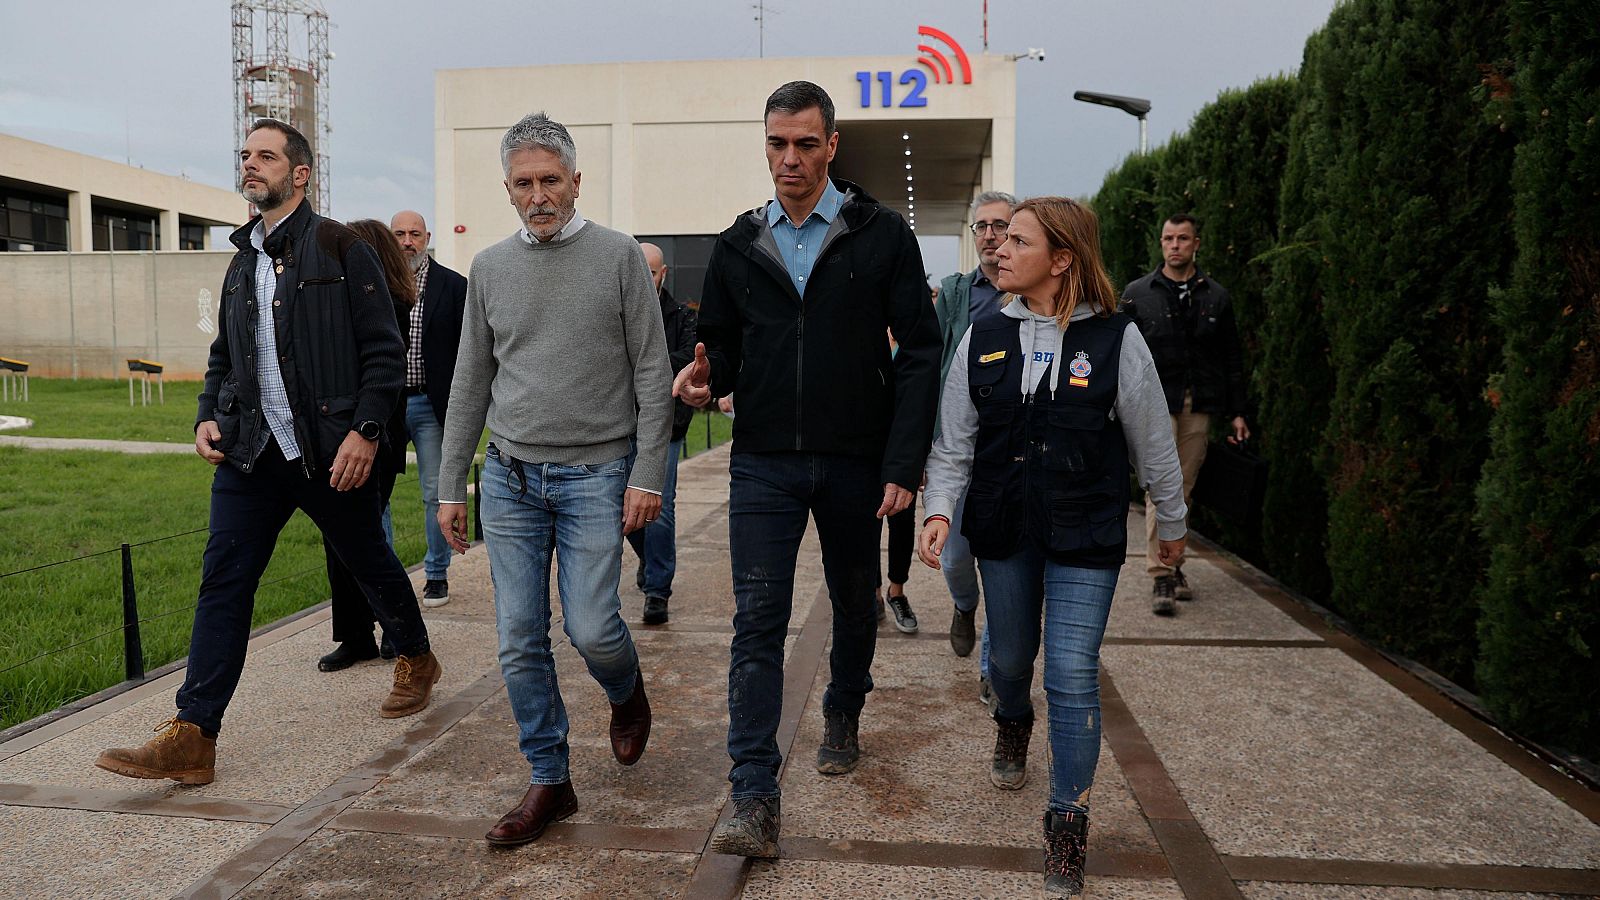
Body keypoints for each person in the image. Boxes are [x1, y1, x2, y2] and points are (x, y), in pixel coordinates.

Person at [95, 119, 442, 786]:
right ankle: (194, 735)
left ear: (300, 174)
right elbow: (224, 357)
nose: (250, 164)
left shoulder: (341, 249)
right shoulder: (240, 261)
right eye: (245, 155)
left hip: (327, 451)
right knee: (224, 581)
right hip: (251, 455)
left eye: (266, 156)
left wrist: (365, 433)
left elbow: (383, 353)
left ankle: (418, 656)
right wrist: (205, 416)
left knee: (368, 561)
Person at [675, 80, 941, 858]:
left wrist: (904, 460)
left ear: (831, 147)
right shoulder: (737, 243)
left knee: (856, 603)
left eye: (803, 144)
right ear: (765, 145)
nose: (788, 159)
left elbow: (921, 352)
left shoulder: (882, 234)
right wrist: (704, 376)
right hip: (763, 462)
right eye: (775, 144)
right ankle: (753, 792)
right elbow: (721, 344)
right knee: (757, 620)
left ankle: (845, 705)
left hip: (858, 459)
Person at [918, 197, 1186, 895]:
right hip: (1004, 529)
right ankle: (1012, 719)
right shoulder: (982, 333)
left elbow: (1153, 438)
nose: (998, 249)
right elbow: (953, 444)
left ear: (1062, 259)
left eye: (1017, 240)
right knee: (1009, 662)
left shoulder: (1115, 339)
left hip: (1085, 534)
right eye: (997, 238)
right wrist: (941, 512)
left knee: (1070, 671)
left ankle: (1067, 821)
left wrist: (1173, 526)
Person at [436, 112, 672, 847]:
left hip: (597, 476)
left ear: (576, 181)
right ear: (506, 190)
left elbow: (652, 372)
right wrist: (450, 485)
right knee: (516, 638)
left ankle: (627, 694)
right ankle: (549, 778)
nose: (538, 195)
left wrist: (647, 473)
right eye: (523, 184)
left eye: (550, 181)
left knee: (594, 626)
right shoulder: (490, 269)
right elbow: (471, 378)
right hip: (508, 478)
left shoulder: (619, 258)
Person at [1120, 214, 1249, 615]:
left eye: (1182, 238)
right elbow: (1121, 353)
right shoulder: (1139, 293)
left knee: (1184, 486)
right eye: (1167, 238)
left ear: (1196, 243)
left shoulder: (1216, 296)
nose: (1174, 245)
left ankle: (1172, 565)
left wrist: (1238, 411)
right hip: (1152, 404)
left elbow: (1231, 356)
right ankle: (1163, 573)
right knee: (1161, 484)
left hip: (1198, 404)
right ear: (1161, 244)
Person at [317, 219, 416, 672]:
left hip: (376, 438)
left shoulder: (388, 304)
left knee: (364, 542)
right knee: (342, 541)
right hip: (343, 437)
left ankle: (398, 632)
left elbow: (379, 373)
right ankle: (356, 634)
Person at [932, 189, 1015, 702]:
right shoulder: (957, 294)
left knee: (1003, 564)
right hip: (960, 449)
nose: (989, 235)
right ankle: (964, 605)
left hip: (1011, 453)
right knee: (956, 558)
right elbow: (930, 367)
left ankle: (993, 666)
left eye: (1000, 225)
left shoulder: (1033, 292)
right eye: (981, 226)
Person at [392, 209, 469, 609]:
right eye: (400, 234)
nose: (408, 241)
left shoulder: (453, 286)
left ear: (427, 238)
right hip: (387, 403)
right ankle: (384, 579)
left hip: (430, 403)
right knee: (375, 494)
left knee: (435, 493)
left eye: (415, 234)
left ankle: (436, 574)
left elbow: (469, 350)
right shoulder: (377, 283)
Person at [628, 241, 697, 626]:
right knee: (621, 509)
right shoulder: (615, 310)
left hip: (667, 426)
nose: (644, 279)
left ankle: (657, 590)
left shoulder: (681, 316)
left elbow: (685, 359)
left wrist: (641, 368)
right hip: (620, 425)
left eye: (651, 272)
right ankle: (648, 559)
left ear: (663, 274)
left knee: (659, 509)